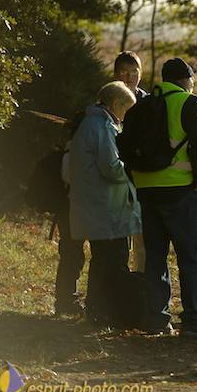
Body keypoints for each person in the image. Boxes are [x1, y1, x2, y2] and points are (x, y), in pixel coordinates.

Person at [132, 57, 197, 339]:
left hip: (146, 190)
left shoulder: (142, 104)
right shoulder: (189, 104)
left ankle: (157, 319)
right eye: (192, 81)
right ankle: (192, 320)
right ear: (186, 80)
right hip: (181, 190)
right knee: (191, 257)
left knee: (155, 258)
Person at [68, 82, 141, 327]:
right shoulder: (102, 126)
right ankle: (106, 312)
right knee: (112, 260)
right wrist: (132, 171)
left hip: (96, 205)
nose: (127, 117)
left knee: (102, 260)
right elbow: (111, 167)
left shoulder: (91, 123)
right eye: (127, 110)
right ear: (116, 104)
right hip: (105, 207)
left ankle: (98, 312)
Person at [27, 127, 84, 317]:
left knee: (70, 252)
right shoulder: (75, 153)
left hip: (66, 208)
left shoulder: (68, 152)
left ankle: (66, 299)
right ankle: (67, 299)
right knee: (72, 253)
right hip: (73, 207)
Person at [113, 50, 146, 272]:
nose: (130, 77)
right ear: (116, 74)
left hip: (142, 179)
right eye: (124, 72)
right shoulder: (108, 99)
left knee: (142, 243)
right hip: (114, 179)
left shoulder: (148, 103)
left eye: (134, 71)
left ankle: (139, 291)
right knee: (116, 245)